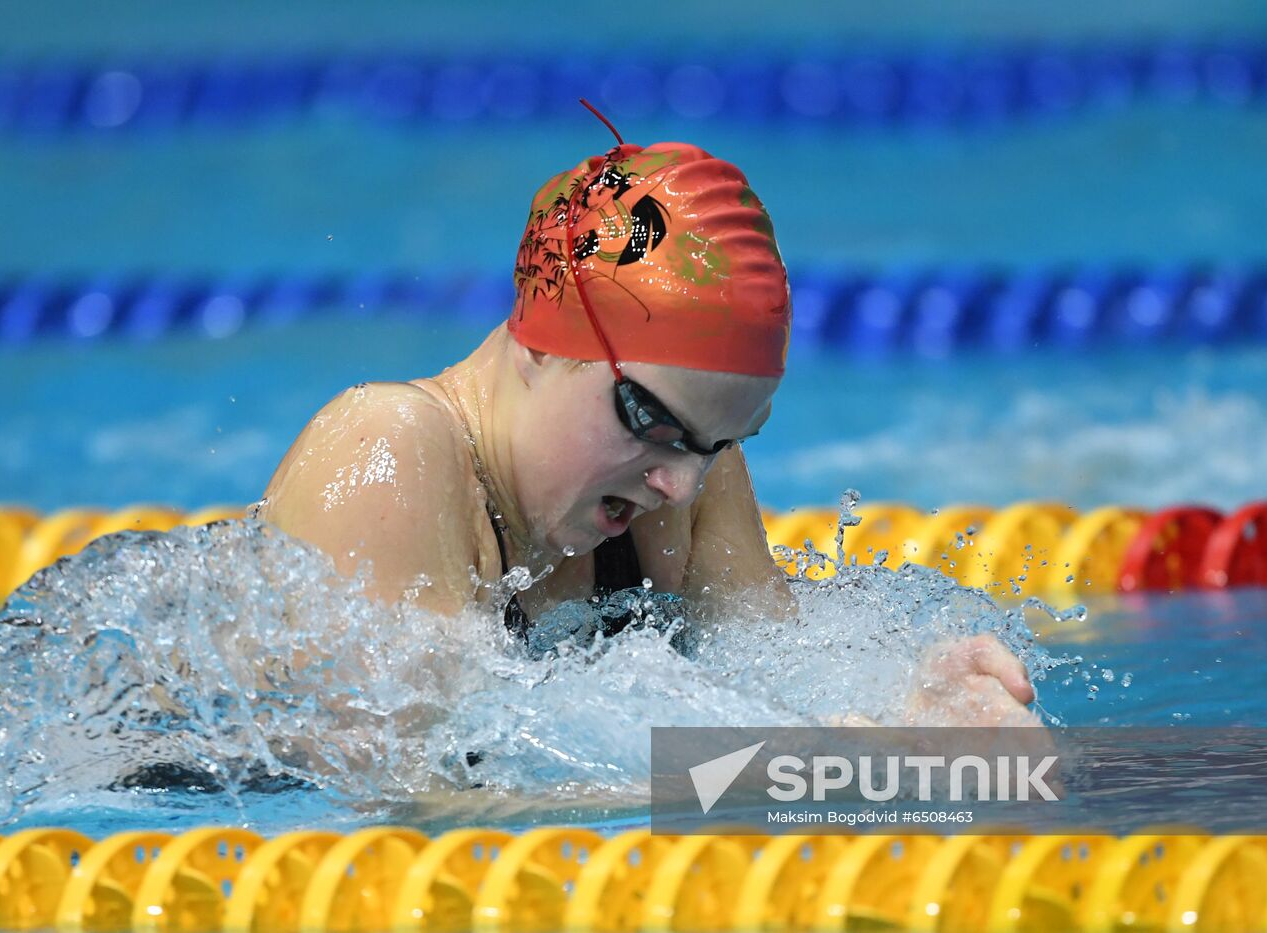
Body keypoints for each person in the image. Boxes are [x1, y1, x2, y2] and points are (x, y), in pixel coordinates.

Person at [257, 102, 1039, 727]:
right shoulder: (387, 449)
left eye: (719, 442)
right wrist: (753, 775)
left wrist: (912, 715)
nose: (681, 483)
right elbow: (415, 797)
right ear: (537, 343)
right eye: (648, 420)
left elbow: (785, 679)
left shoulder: (686, 478)